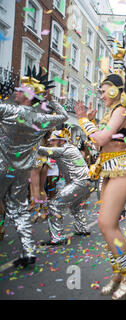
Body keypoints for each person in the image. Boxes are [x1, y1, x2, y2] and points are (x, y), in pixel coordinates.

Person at [75, 38, 126, 300]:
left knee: (106, 222)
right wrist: (92, 122)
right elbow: (101, 140)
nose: (102, 94)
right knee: (109, 224)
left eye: (105, 90)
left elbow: (101, 139)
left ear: (117, 91)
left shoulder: (120, 110)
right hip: (109, 168)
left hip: (123, 168)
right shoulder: (111, 113)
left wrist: (84, 121)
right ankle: (118, 272)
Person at [0, 67, 68, 267]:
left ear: (28, 95)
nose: (16, 92)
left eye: (20, 90)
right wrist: (51, 101)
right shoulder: (40, 118)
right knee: (20, 210)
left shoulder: (8, 109)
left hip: (2, 167)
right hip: (21, 172)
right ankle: (28, 252)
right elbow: (64, 116)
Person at [37, 129, 92, 245]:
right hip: (85, 183)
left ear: (61, 141)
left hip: (79, 183)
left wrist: (28, 143)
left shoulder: (65, 150)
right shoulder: (70, 148)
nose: (50, 142)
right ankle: (83, 229)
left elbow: (43, 150)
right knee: (75, 206)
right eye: (50, 140)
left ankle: (57, 237)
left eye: (53, 140)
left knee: (54, 204)